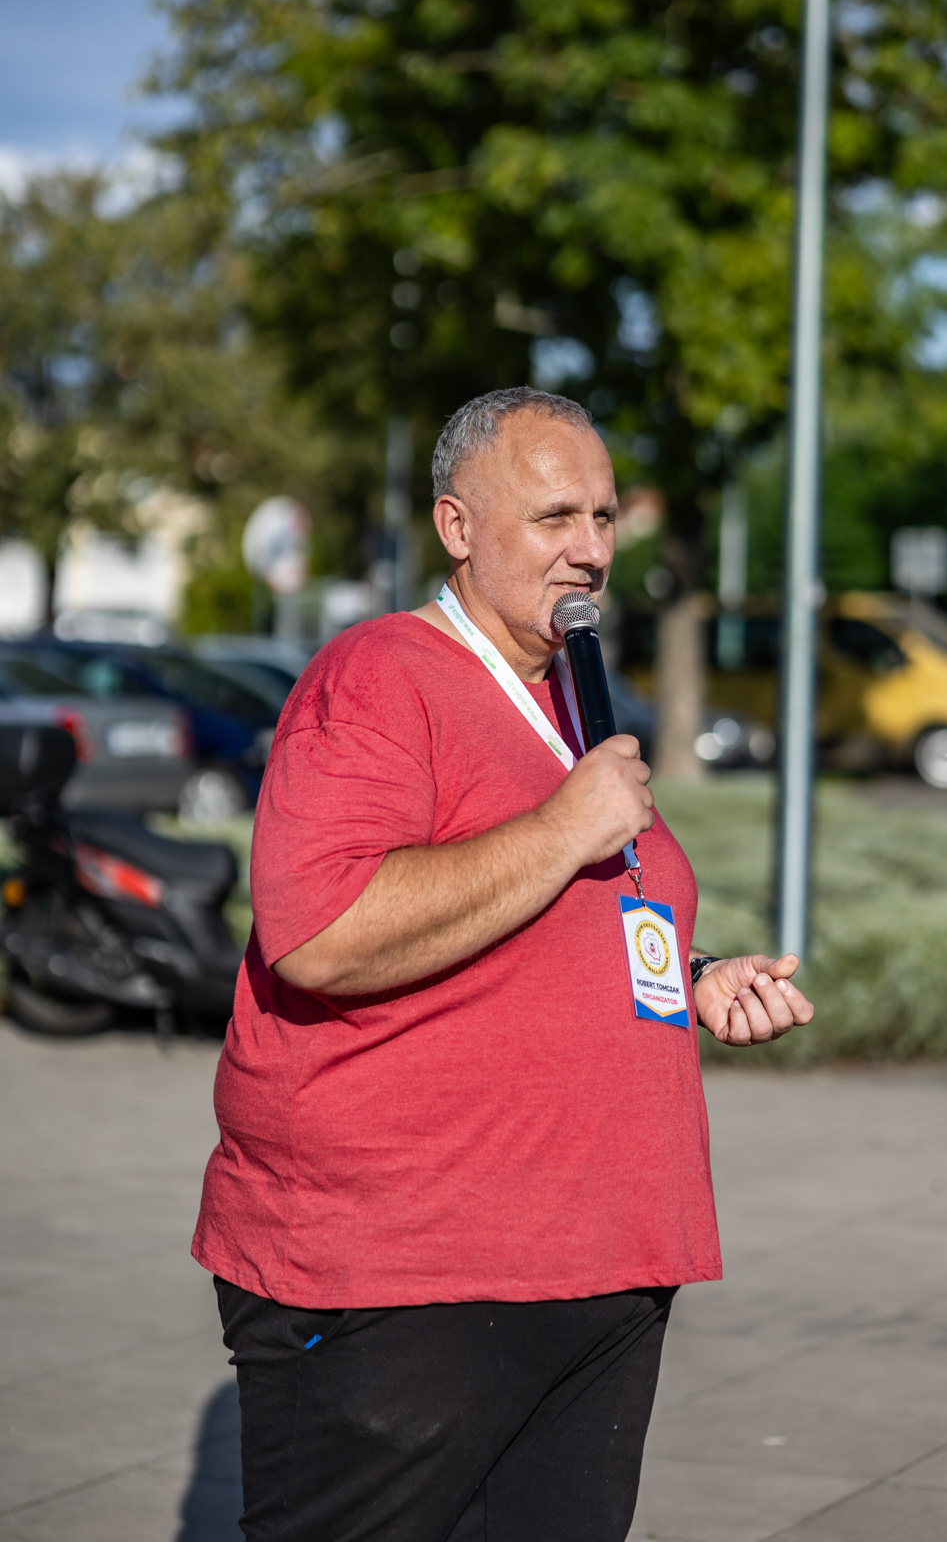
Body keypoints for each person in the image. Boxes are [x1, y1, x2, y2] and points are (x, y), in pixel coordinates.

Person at [192, 386, 814, 1542]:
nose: (589, 549)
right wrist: (561, 829)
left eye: (604, 516)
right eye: (553, 517)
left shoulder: (567, 698)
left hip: (602, 1264)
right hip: (407, 1274)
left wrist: (694, 973)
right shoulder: (376, 673)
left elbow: (563, 917)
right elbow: (318, 932)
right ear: (457, 525)